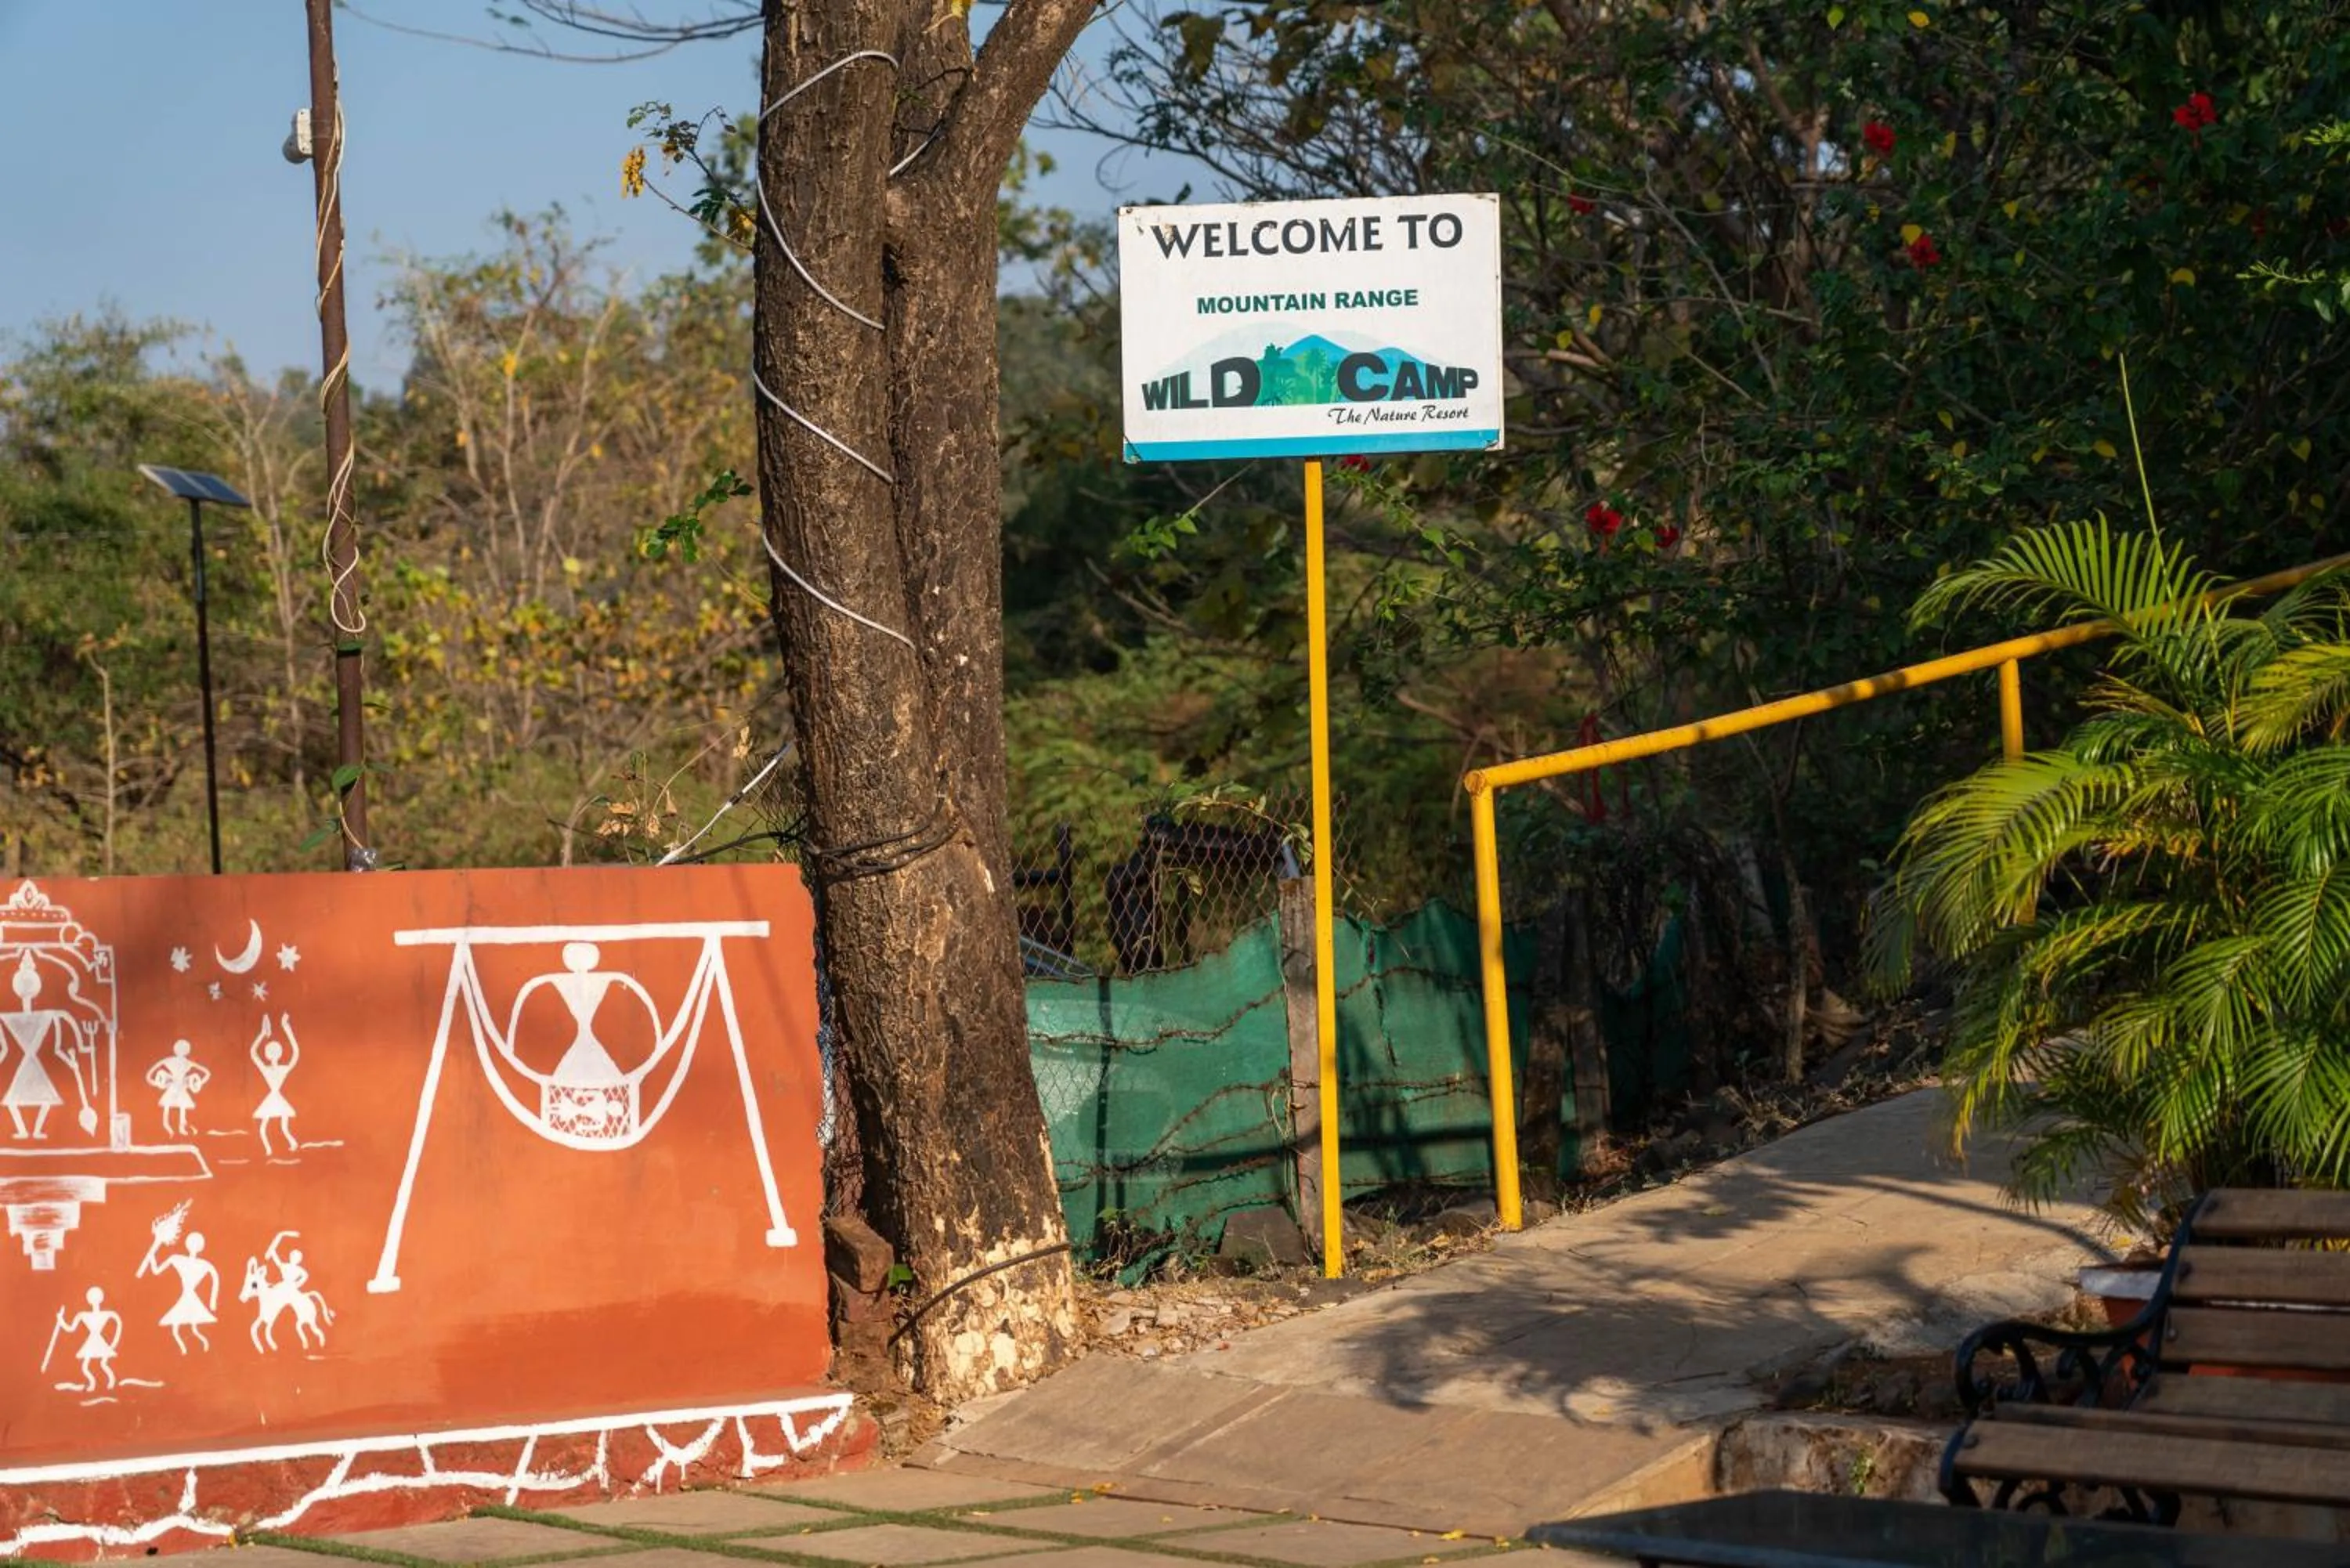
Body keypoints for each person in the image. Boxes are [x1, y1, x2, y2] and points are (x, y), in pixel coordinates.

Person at [2, 952, 67, 1140]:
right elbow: (4, 1049)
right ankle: (25, 1131)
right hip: (29, 1063)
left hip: (30, 1063)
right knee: (16, 1100)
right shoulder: (11, 1019)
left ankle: (34, 1131)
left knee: (33, 1099)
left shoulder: (44, 1017)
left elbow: (57, 1046)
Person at [137, 1223, 219, 1354]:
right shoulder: (185, 1260)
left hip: (189, 1298)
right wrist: (212, 1302)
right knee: (190, 1326)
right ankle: (187, 1349)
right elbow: (215, 1277)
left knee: (186, 1326)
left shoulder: (181, 1259)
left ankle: (189, 1349)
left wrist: (213, 1301)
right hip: (188, 1297)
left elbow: (156, 1271)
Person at [250, 1014, 301, 1156]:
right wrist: (286, 1029)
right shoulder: (276, 1069)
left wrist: (285, 1028)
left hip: (275, 1099)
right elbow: (295, 1054)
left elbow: (254, 1053)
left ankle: (277, 1147)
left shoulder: (276, 1069)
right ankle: (271, 1149)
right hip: (274, 1099)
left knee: (272, 1127)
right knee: (273, 1127)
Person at [57, 1287, 122, 1392]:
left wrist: (113, 1343)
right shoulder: (84, 1315)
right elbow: (70, 1328)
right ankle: (96, 1383)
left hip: (98, 1342)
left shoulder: (96, 1314)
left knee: (98, 1364)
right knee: (92, 1365)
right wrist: (61, 1320)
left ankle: (108, 1383)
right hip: (92, 1342)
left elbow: (117, 1321)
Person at [145, 1040, 209, 1137]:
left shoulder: (171, 1061)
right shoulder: (187, 1062)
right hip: (177, 1087)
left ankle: (172, 1128)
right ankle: (173, 1128)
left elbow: (150, 1075)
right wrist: (197, 1084)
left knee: (172, 1106)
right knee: (177, 1106)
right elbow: (207, 1073)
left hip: (175, 1087)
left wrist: (157, 1083)